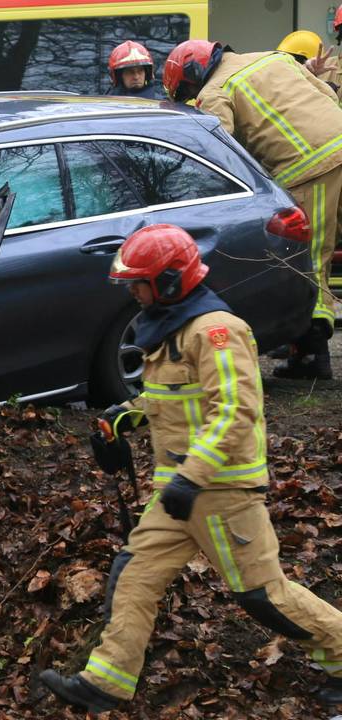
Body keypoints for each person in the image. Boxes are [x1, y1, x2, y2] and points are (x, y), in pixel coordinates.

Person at [39, 224, 342, 714]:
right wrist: (125, 416)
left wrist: (191, 477)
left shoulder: (215, 331)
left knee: (263, 595)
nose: (133, 293)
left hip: (221, 490)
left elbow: (235, 412)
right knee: (135, 575)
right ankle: (107, 682)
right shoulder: (171, 327)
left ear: (171, 281)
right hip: (180, 492)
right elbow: (179, 400)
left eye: (139, 284)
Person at [163, 39, 342, 379]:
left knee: (308, 262)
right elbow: (330, 96)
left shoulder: (216, 91)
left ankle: (311, 356)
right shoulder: (275, 58)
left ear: (194, 74)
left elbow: (218, 151)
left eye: (187, 90)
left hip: (310, 170)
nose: (190, 95)